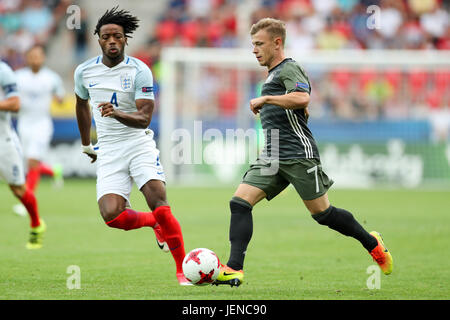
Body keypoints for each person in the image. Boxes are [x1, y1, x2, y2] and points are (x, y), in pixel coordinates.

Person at [213, 18, 393, 287]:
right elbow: (297, 102)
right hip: (272, 155)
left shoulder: (289, 67)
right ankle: (235, 268)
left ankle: (372, 243)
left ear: (277, 43)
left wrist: (267, 99)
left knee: (323, 214)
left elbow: (303, 97)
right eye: (253, 45)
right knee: (239, 203)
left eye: (259, 44)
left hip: (298, 153)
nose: (254, 50)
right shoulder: (273, 75)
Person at [74, 7, 190, 285]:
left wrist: (116, 113)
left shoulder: (140, 71)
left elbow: (145, 118)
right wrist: (87, 144)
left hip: (138, 144)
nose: (112, 41)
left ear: (126, 39)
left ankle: (182, 270)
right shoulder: (84, 71)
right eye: (106, 37)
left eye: (117, 36)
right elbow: (81, 105)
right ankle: (154, 224)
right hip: (110, 150)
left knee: (159, 202)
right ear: (98, 39)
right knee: (111, 215)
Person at [0, 60, 46, 249]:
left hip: (4, 142)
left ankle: (36, 224)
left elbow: (15, 104)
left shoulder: (3, 71)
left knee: (18, 189)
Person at [15, 45, 65, 193]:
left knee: (32, 160)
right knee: (28, 163)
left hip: (42, 124)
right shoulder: (18, 76)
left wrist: (59, 98)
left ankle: (27, 200)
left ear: (43, 58)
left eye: (38, 56)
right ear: (27, 58)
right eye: (32, 56)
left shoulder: (51, 78)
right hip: (23, 123)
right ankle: (54, 171)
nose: (35, 59)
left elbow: (60, 97)